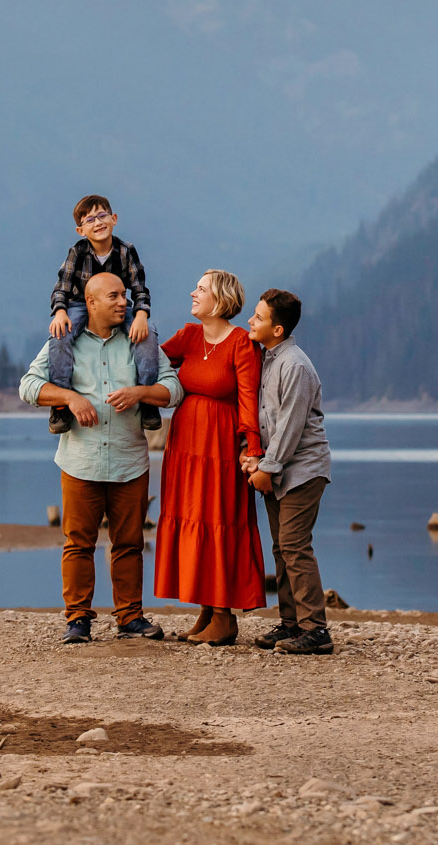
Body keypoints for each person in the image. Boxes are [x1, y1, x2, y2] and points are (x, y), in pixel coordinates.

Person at [18, 272, 184, 643]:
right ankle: (77, 620)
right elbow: (27, 385)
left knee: (129, 543)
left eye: (125, 295)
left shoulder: (141, 341)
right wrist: (70, 398)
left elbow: (174, 387)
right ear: (91, 303)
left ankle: (130, 618)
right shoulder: (65, 341)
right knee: (79, 543)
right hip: (81, 461)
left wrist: (141, 392)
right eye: (114, 296)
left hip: (130, 461)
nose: (124, 302)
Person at [153, 269, 266, 646]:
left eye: (200, 289)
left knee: (218, 518)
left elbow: (249, 400)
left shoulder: (240, 343)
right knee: (191, 517)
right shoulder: (187, 336)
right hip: (185, 445)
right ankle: (206, 608)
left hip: (219, 447)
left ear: (219, 300)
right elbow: (147, 363)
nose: (192, 293)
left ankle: (223, 615)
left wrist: (251, 450)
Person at [242, 288, 334, 655]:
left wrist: (268, 467)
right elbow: (266, 420)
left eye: (259, 317)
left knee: (295, 547)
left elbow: (291, 426)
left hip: (303, 470)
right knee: (282, 548)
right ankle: (291, 623)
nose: (251, 321)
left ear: (276, 330)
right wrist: (256, 460)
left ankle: (316, 631)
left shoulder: (293, 364)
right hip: (278, 468)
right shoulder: (266, 359)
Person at [43, 194, 161, 435]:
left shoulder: (126, 251)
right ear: (80, 230)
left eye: (102, 215)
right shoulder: (77, 252)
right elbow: (62, 287)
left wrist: (140, 315)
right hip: (77, 304)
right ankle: (60, 405)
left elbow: (139, 288)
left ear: (114, 219)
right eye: (89, 220)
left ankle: (148, 401)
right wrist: (60, 312)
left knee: (148, 335)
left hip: (118, 304)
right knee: (60, 335)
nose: (98, 223)